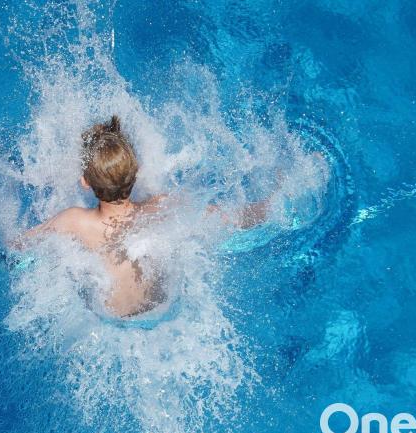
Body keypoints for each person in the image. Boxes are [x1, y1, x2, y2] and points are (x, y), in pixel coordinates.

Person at [17, 115, 273, 317]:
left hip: (108, 320)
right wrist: (272, 204)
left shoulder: (73, 221)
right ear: (136, 171)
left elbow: (17, 248)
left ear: (85, 182)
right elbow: (230, 219)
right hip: (162, 314)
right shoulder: (160, 208)